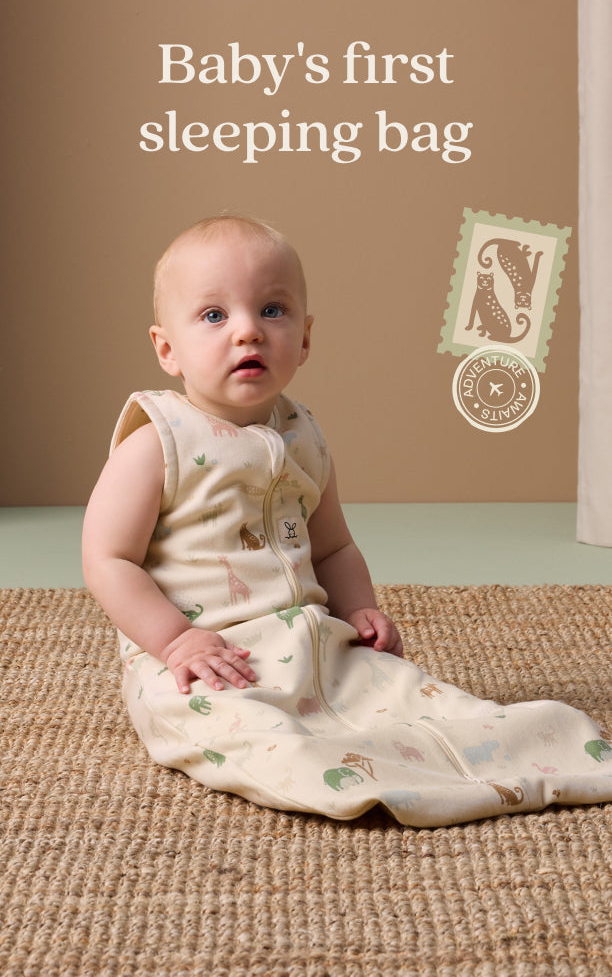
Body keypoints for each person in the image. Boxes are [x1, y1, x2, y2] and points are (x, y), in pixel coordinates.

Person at [83, 215, 612, 826]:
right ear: (166, 349)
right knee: (257, 736)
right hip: (207, 663)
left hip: (314, 646)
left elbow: (333, 547)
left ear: (305, 338)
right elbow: (107, 558)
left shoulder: (304, 436)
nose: (248, 331)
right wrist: (176, 640)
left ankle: (524, 745)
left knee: (410, 694)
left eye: (272, 310)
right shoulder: (158, 443)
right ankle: (364, 773)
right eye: (214, 316)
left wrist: (359, 609)